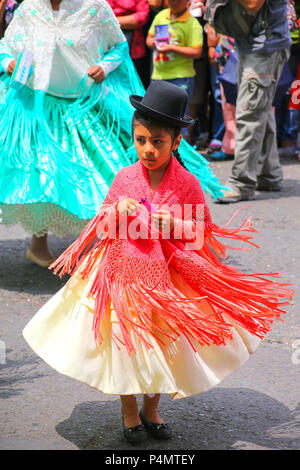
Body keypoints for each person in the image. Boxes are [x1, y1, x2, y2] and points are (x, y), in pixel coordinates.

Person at [23, 81, 293, 445]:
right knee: (126, 343)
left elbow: (202, 233)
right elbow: (102, 225)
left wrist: (175, 225)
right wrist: (116, 210)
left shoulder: (187, 184)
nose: (147, 150)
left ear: (176, 142)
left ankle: (151, 408)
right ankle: (129, 410)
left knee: (162, 343)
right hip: (123, 272)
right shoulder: (124, 178)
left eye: (158, 142)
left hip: (167, 278)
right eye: (140, 140)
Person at [0, 0, 224, 269]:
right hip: (43, 108)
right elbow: (6, 46)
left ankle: (114, 247)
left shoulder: (94, 7)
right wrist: (9, 61)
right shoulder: (29, 9)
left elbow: (118, 46)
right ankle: (38, 245)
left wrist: (104, 67)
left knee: (102, 178)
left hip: (86, 107)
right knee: (43, 177)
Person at [210, 0, 292, 203]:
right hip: (253, 45)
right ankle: (269, 173)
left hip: (265, 48)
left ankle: (241, 182)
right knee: (259, 109)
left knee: (250, 113)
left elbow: (253, 3)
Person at [146, 0, 203, 138]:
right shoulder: (161, 16)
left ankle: (183, 152)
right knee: (157, 116)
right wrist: (153, 43)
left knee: (181, 117)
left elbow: (197, 52)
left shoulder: (192, 23)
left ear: (188, 2)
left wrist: (172, 48)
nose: (174, 3)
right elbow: (149, 39)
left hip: (181, 76)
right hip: (159, 75)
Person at [106, 0, 150, 88]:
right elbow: (98, 15)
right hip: (107, 49)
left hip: (133, 50)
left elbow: (141, 18)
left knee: (133, 86)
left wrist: (111, 20)